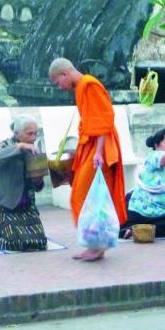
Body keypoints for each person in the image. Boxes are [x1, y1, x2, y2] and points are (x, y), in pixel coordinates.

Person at [49, 57, 128, 262]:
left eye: (58, 82)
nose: (60, 87)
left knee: (84, 196)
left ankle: (98, 245)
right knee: (83, 195)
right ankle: (94, 245)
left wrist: (99, 153)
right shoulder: (82, 87)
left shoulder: (89, 85)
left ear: (65, 73)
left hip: (99, 146)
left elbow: (103, 120)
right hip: (91, 145)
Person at [0, 116, 48, 251]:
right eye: (30, 133)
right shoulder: (5, 145)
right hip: (7, 207)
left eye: (35, 133)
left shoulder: (35, 149)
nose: (34, 137)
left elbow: (38, 187)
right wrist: (20, 146)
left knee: (38, 242)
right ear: (17, 133)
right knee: (15, 243)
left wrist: (38, 179)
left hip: (27, 208)